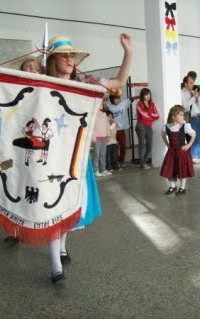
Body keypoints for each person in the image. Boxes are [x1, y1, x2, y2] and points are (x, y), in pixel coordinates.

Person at [44, 33, 132, 283]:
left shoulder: (84, 84)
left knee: (70, 203)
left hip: (78, 154)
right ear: (53, 60)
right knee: (55, 206)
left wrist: (128, 52)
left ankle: (61, 248)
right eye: (64, 56)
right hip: (53, 154)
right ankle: (55, 266)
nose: (70, 59)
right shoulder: (43, 84)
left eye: (72, 55)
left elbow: (120, 80)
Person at [160, 105, 195, 195]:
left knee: (182, 169)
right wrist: (168, 145)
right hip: (171, 152)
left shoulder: (184, 126)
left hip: (181, 152)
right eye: (180, 115)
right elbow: (163, 135)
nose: (183, 117)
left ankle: (182, 187)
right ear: (173, 117)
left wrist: (188, 144)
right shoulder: (166, 127)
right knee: (168, 169)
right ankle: (172, 186)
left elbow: (193, 135)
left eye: (183, 115)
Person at [107, 91, 137, 166]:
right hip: (113, 130)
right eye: (115, 99)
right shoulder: (109, 107)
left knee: (123, 146)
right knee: (114, 147)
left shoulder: (124, 104)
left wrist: (141, 96)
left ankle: (121, 161)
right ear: (111, 99)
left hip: (122, 129)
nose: (118, 100)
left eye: (118, 98)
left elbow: (132, 98)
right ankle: (116, 161)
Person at [135, 88, 160, 169]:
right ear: (142, 95)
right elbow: (143, 115)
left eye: (149, 94)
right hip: (140, 125)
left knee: (149, 145)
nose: (148, 96)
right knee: (142, 145)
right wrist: (151, 115)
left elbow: (157, 115)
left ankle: (144, 162)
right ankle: (143, 164)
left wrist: (149, 115)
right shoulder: (139, 103)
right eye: (146, 94)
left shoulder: (152, 104)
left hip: (148, 126)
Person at [92, 105, 111, 177]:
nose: (101, 105)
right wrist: (93, 137)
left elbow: (107, 125)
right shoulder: (93, 115)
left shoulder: (104, 114)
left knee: (103, 154)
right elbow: (92, 126)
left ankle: (103, 169)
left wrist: (108, 135)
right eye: (100, 103)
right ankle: (95, 170)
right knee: (96, 154)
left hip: (104, 137)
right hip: (96, 137)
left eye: (102, 103)